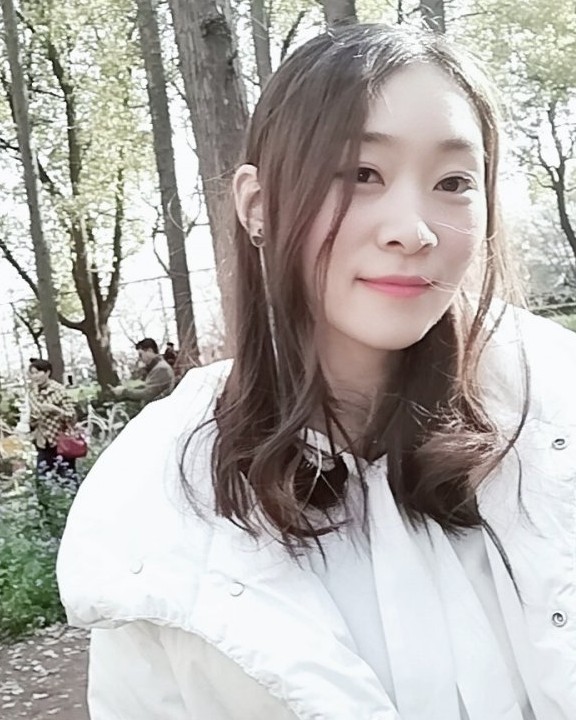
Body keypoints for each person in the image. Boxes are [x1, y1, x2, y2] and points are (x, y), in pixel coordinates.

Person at [57, 25, 575, 720]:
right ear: (257, 205)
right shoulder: (158, 515)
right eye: (361, 174)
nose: (413, 229)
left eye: (453, 182)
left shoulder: (552, 425)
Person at [28, 358, 77, 480]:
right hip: (42, 442)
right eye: (32, 373)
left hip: (61, 441)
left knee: (67, 477)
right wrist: (33, 420)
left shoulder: (59, 391)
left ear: (47, 372)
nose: (35, 376)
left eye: (38, 372)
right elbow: (32, 418)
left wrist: (55, 409)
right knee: (42, 479)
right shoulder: (32, 393)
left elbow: (71, 415)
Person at [110, 337, 175, 405]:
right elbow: (149, 387)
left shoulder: (161, 368)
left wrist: (124, 392)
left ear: (150, 351)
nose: (140, 358)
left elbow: (148, 394)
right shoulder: (156, 367)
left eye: (140, 354)